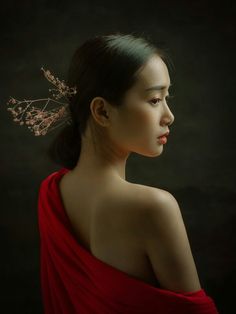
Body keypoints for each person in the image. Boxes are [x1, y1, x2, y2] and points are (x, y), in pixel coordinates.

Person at [36, 32, 219, 313]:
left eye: (165, 98)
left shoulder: (51, 192)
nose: (169, 116)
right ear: (103, 111)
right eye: (155, 100)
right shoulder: (154, 207)